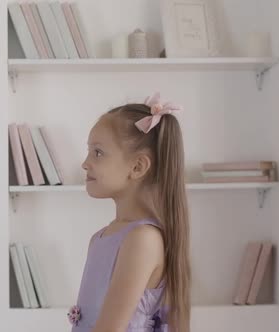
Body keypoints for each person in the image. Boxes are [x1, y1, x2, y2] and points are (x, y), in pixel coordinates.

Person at [69, 93, 191, 332]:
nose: (85, 163)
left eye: (98, 152)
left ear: (137, 167)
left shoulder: (142, 240)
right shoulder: (100, 238)